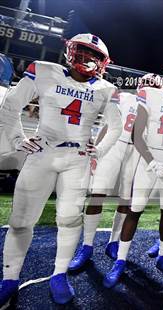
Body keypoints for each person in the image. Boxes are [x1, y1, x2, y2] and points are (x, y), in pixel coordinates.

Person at [0, 33, 122, 305]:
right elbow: (11, 105)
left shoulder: (105, 89)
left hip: (77, 158)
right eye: (81, 51)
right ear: (69, 50)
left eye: (93, 55)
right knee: (21, 220)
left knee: (69, 220)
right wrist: (18, 139)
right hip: (43, 152)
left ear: (103, 63)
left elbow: (115, 126)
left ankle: (59, 274)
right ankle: (9, 278)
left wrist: (99, 150)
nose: (85, 58)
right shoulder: (43, 70)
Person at [103, 64, 163, 287]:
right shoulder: (150, 95)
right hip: (149, 160)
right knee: (135, 210)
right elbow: (137, 134)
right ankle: (121, 260)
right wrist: (152, 162)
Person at [68, 90, 140, 269]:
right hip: (114, 144)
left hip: (135, 150)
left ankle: (113, 242)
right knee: (97, 194)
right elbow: (109, 125)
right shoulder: (124, 97)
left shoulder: (154, 104)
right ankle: (87, 245)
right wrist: (97, 151)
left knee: (126, 198)